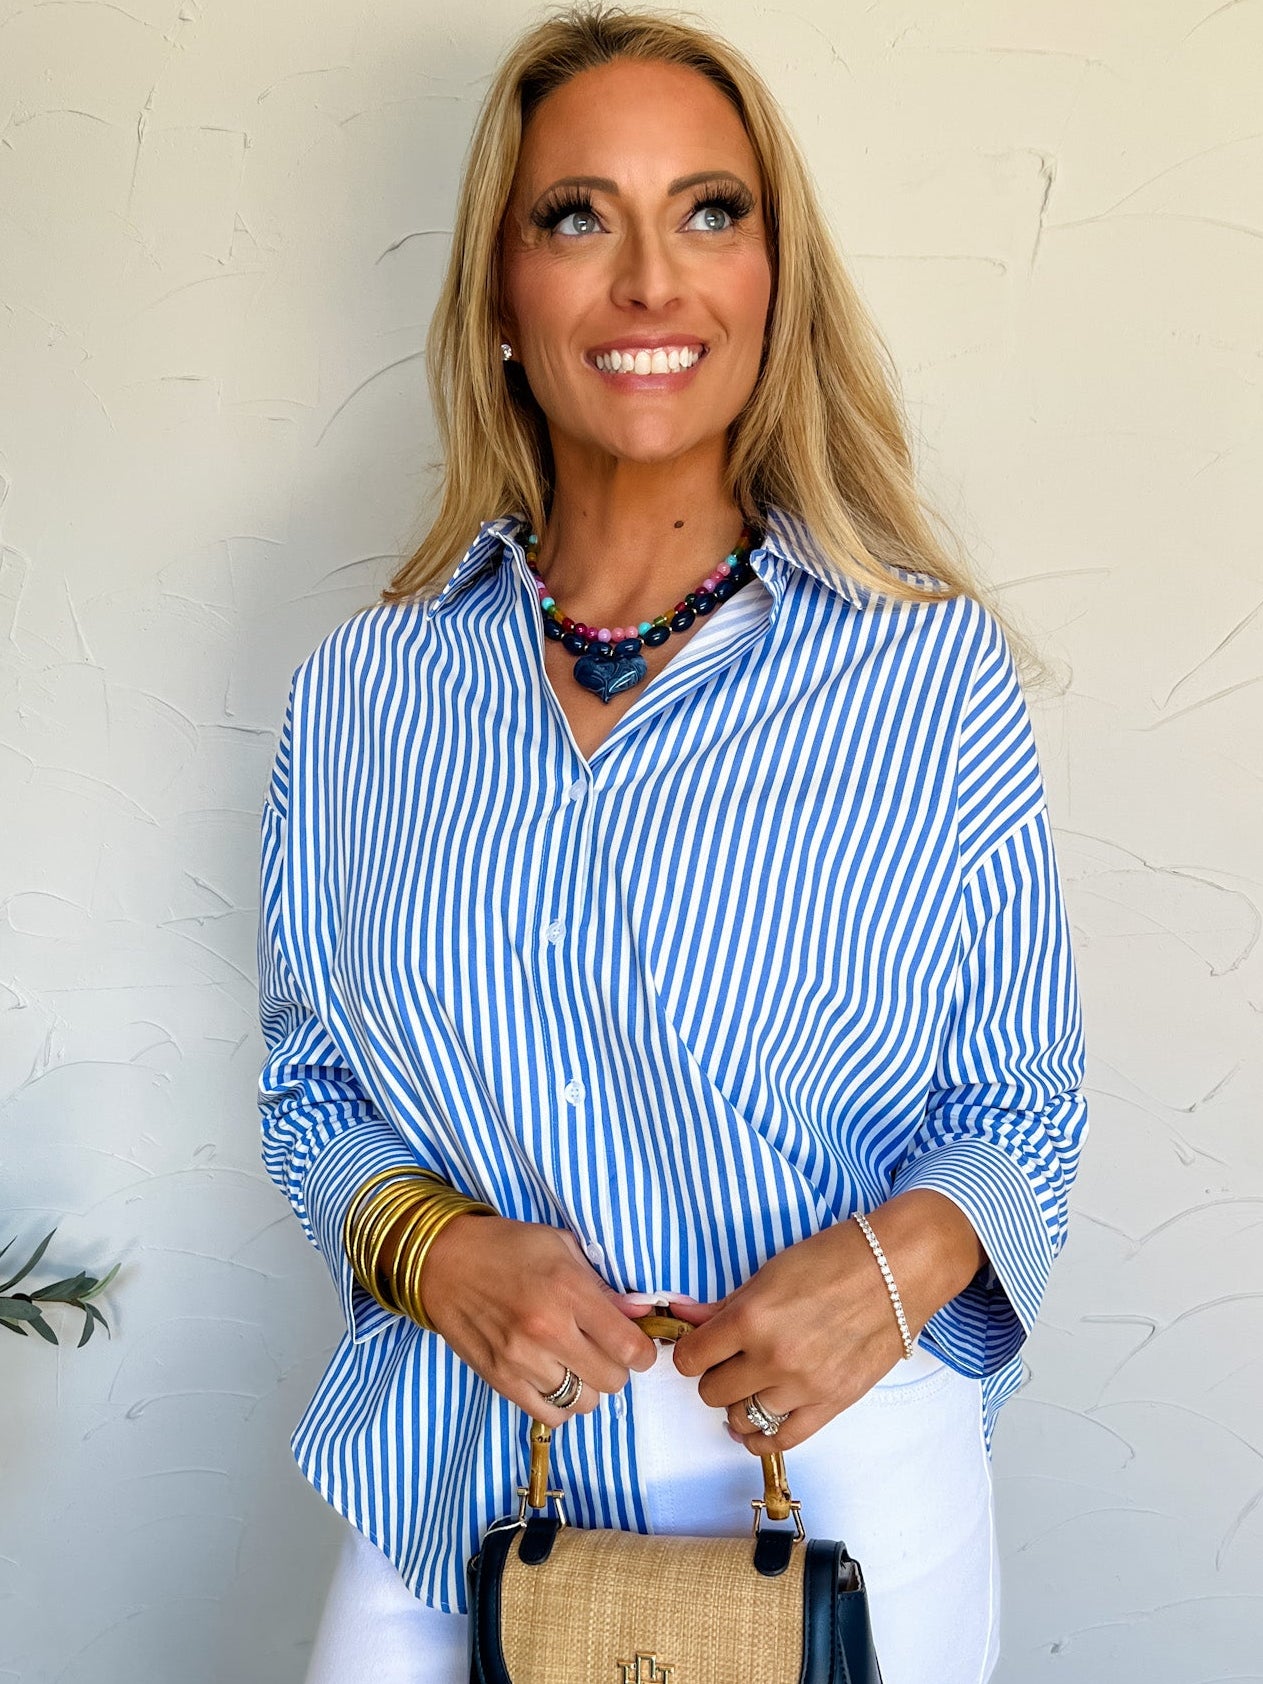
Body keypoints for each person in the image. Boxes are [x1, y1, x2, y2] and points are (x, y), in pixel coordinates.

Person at [255, 6, 1089, 1681]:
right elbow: (306, 1089)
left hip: (836, 1491)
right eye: (579, 217)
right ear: (503, 287)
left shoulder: (922, 671)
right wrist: (438, 1252)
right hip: (461, 1477)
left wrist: (887, 1268)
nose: (650, 280)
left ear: (773, 280)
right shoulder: (363, 693)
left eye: (711, 212)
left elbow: (1028, 1103)